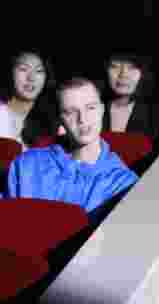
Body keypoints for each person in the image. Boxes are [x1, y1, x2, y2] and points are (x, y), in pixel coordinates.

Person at [5, 77, 138, 221]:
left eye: (90, 108)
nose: (82, 119)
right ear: (60, 118)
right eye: (70, 112)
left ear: (102, 110)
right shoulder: (26, 164)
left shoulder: (123, 182)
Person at [101, 51, 159, 149]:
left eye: (132, 67)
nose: (123, 74)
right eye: (115, 66)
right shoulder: (91, 109)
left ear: (144, 72)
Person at [0, 50, 58, 147]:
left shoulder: (49, 123)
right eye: (23, 69)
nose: (31, 78)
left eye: (39, 71)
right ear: (10, 72)